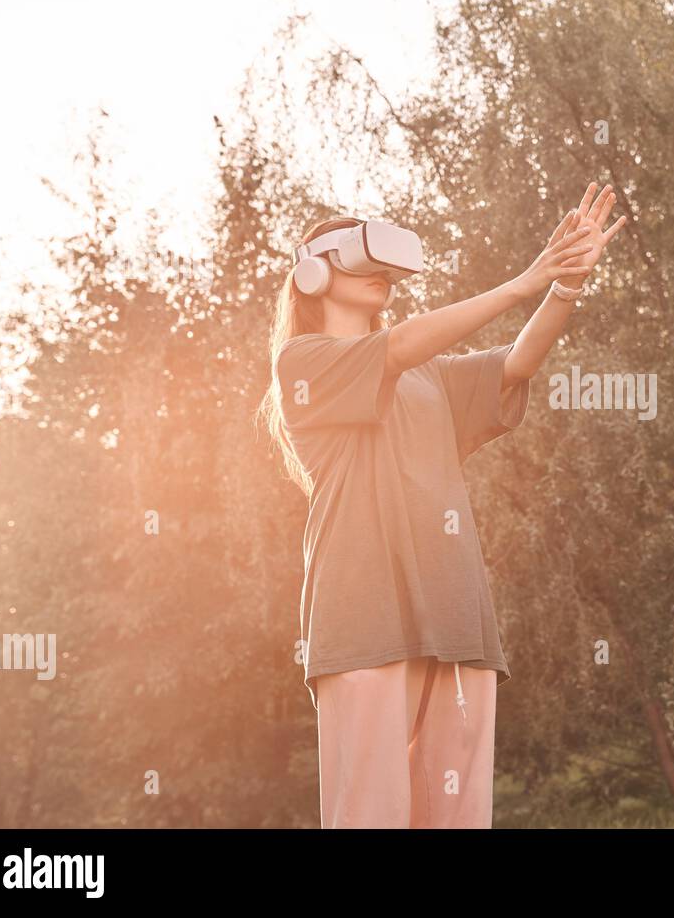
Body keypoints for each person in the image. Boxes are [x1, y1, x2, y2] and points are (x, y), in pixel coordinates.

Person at [258, 183, 626, 828]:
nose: (381, 278)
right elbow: (395, 348)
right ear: (312, 274)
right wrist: (521, 281)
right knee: (370, 814)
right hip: (362, 618)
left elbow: (516, 365)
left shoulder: (428, 375)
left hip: (456, 616)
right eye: (361, 261)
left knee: (457, 816)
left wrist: (563, 285)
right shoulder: (302, 364)